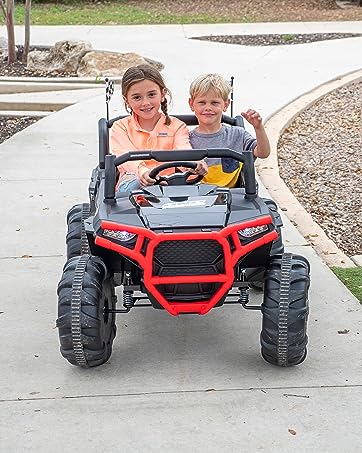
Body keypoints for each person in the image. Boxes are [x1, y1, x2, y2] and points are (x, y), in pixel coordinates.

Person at [111, 64, 207, 191]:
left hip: (169, 183)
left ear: (162, 94)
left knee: (201, 190)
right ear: (127, 100)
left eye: (151, 95)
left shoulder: (177, 126)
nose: (145, 102)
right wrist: (143, 172)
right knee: (137, 185)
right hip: (134, 183)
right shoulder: (120, 127)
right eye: (137, 97)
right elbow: (125, 158)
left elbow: (183, 150)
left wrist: (195, 163)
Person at [188, 73, 271, 188]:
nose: (208, 107)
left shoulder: (237, 135)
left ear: (226, 105)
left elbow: (263, 153)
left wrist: (258, 128)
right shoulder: (185, 141)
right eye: (202, 102)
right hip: (197, 199)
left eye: (214, 103)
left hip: (232, 199)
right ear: (191, 104)